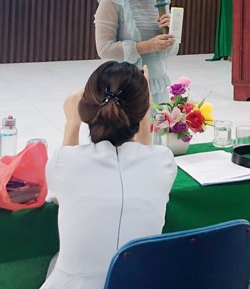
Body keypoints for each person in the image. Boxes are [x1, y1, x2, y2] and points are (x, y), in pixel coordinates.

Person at [41, 61, 177, 289]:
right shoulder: (162, 161)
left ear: (86, 109)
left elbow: (61, 186)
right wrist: (144, 111)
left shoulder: (62, 162)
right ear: (143, 111)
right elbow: (145, 154)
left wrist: (72, 123)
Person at [95, 0, 178, 103]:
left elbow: (170, 52)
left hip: (157, 85)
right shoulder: (113, 0)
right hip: (125, 86)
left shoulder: (162, 2)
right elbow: (104, 49)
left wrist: (171, 35)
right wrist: (148, 46)